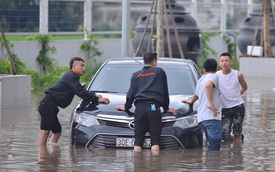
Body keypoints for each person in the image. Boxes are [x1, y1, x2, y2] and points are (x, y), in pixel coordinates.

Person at [38, 57, 110, 145]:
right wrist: (97, 99)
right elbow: (80, 92)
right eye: (82, 66)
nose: (84, 68)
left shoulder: (72, 77)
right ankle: (43, 157)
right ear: (74, 66)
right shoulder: (71, 76)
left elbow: (80, 90)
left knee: (57, 132)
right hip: (48, 105)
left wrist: (93, 95)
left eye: (84, 66)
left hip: (51, 106)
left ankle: (51, 151)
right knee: (45, 132)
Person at [115, 52, 177, 155]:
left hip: (139, 108)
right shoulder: (159, 72)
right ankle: (155, 166)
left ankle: (138, 166)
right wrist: (166, 108)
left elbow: (131, 94)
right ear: (154, 62)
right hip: (153, 107)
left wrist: (126, 106)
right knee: (155, 140)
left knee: (138, 141)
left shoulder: (135, 75)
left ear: (143, 62)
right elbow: (165, 92)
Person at [181, 58, 222, 151]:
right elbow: (208, 85)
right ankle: (213, 164)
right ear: (216, 69)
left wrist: (191, 101)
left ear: (204, 69)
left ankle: (209, 164)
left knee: (210, 145)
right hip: (212, 117)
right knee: (215, 147)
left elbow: (197, 94)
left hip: (202, 118)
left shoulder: (201, 79)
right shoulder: (214, 76)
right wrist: (211, 104)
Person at [217, 52, 248, 143]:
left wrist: (237, 95)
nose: (224, 63)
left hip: (238, 107)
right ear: (219, 63)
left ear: (231, 62)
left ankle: (237, 153)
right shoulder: (216, 76)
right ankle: (237, 141)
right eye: (222, 61)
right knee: (224, 135)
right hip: (224, 108)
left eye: (226, 61)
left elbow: (245, 87)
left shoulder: (238, 74)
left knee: (237, 132)